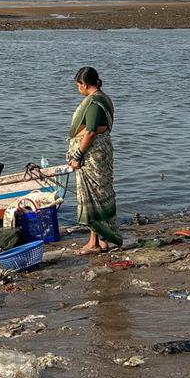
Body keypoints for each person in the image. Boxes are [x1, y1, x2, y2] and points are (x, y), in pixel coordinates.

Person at [67, 67, 123, 253]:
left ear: (84, 84)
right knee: (101, 193)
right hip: (104, 152)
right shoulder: (105, 99)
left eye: (78, 85)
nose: (78, 89)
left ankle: (94, 244)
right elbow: (101, 128)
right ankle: (102, 240)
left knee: (93, 196)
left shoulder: (93, 103)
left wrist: (77, 156)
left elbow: (90, 132)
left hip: (92, 156)